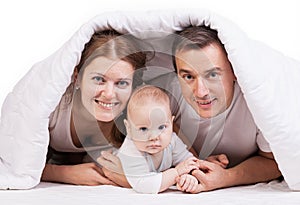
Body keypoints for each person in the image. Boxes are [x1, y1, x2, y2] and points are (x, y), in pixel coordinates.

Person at [172, 25, 282, 192]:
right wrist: (195, 161)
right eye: (188, 76)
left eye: (213, 75)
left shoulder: (257, 101)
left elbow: (274, 162)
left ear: (234, 72)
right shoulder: (166, 95)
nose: (201, 92)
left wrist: (226, 177)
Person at [42, 30, 148, 186]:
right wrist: (64, 173)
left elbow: (170, 156)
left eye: (122, 83)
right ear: (77, 78)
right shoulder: (53, 104)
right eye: (99, 79)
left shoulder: (138, 112)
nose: (109, 94)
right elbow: (13, 163)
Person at [117, 85, 199, 193]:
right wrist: (177, 172)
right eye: (143, 129)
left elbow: (188, 162)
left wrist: (189, 177)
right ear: (129, 128)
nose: (154, 137)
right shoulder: (130, 151)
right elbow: (145, 185)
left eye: (161, 127)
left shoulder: (172, 141)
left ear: (171, 123)